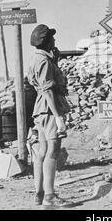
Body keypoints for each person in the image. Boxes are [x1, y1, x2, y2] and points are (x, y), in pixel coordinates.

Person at [27, 24, 71, 207]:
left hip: (41, 110)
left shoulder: (40, 59)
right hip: (49, 109)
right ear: (45, 42)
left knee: (42, 152)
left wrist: (56, 61)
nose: (54, 40)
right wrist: (58, 117)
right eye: (51, 38)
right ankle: (50, 197)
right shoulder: (44, 61)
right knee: (53, 151)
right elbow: (48, 91)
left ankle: (40, 194)